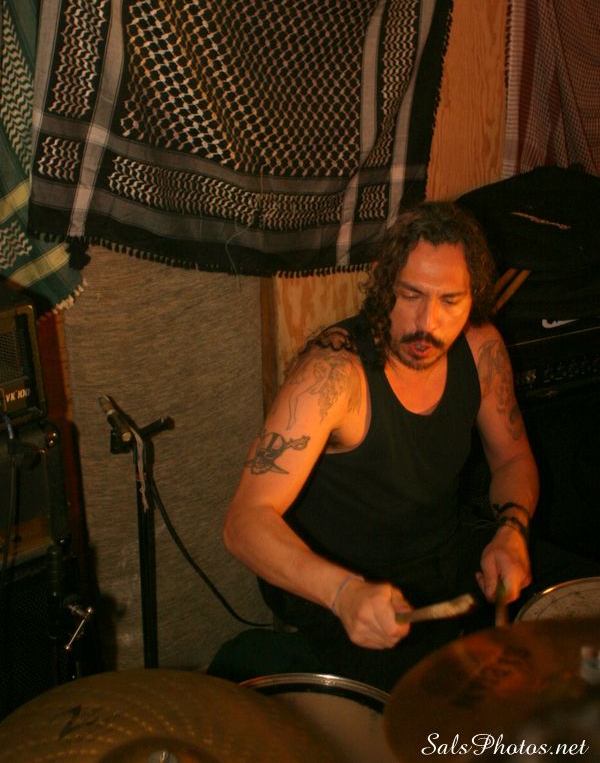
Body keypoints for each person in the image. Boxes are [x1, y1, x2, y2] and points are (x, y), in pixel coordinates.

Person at [223, 201, 541, 691]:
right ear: (381, 281)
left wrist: (512, 529)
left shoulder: (481, 348)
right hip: (341, 584)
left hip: (443, 557)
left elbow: (513, 458)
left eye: (450, 301)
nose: (427, 322)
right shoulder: (333, 373)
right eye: (410, 294)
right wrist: (343, 592)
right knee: (429, 707)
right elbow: (244, 522)